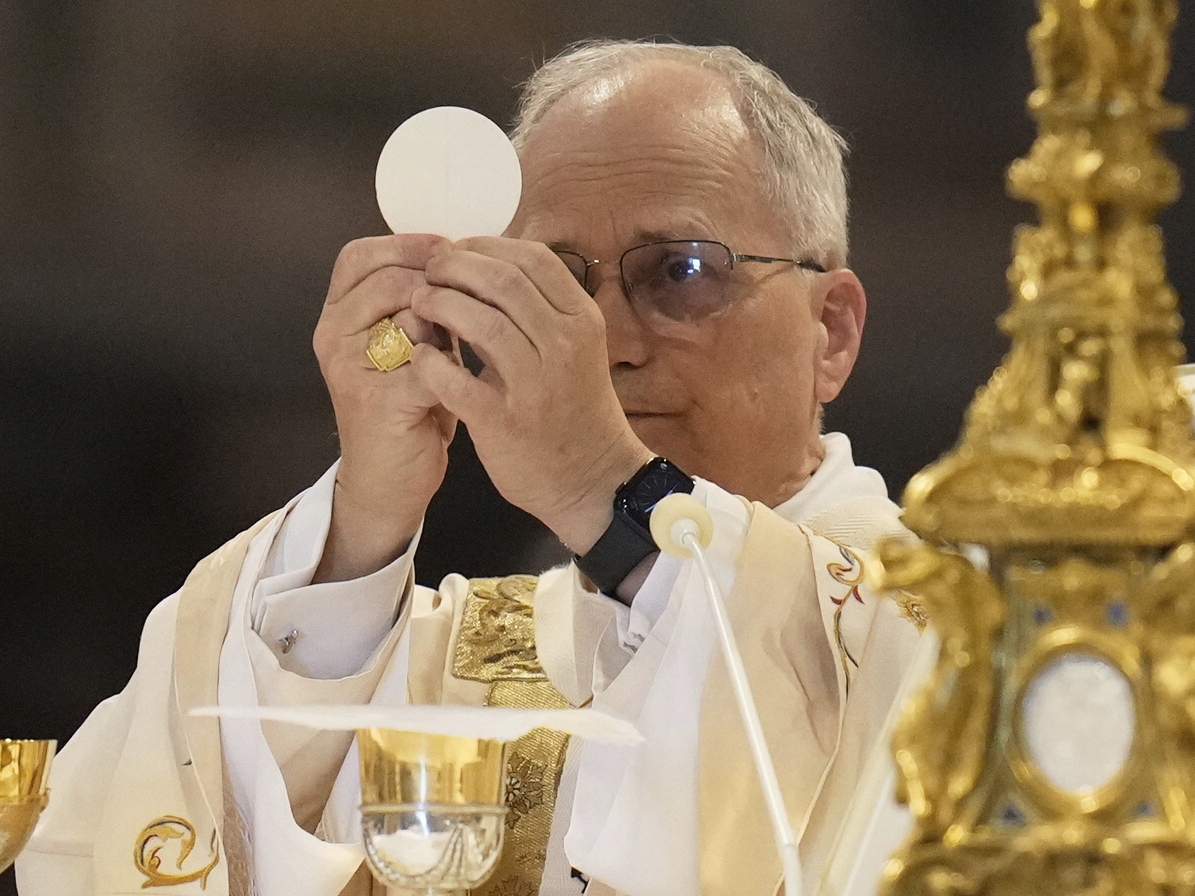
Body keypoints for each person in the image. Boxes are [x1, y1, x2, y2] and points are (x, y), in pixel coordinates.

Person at [18, 39, 923, 896]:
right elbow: (176, 801)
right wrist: (364, 521)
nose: (597, 341)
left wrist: (604, 492)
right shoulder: (452, 659)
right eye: (553, 282)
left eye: (680, 271)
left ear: (830, 331)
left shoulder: (963, 631)